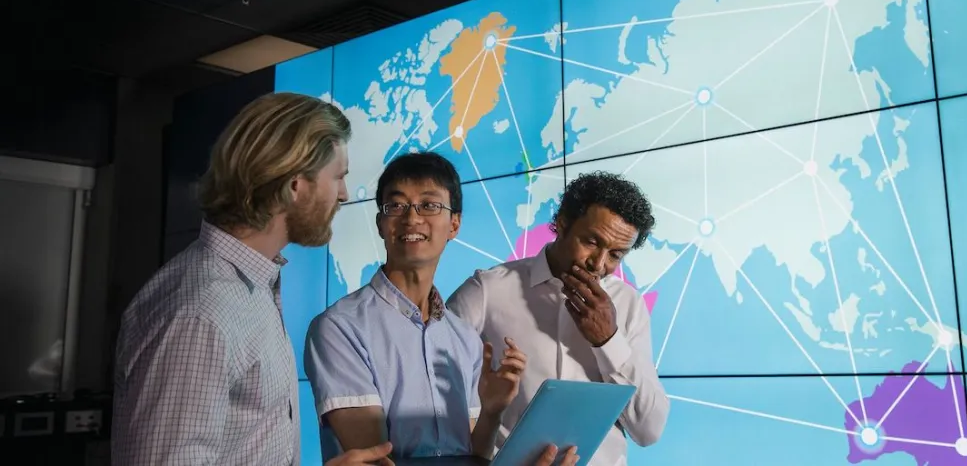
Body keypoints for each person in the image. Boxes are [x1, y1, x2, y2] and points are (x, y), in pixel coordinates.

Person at [111, 92, 392, 466]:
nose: (343, 194)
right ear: (296, 185)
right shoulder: (201, 315)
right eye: (338, 177)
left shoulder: (248, 288)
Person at [304, 152, 577, 465]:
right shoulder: (340, 327)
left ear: (454, 224)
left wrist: (492, 410)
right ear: (381, 223)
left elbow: (473, 456)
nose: (412, 218)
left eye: (429, 205)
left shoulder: (466, 339)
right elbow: (377, 458)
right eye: (396, 205)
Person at [447, 171, 670, 466]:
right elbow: (433, 396)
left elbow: (649, 429)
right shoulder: (487, 291)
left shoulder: (629, 305)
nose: (599, 265)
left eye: (616, 255)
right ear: (562, 223)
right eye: (591, 241)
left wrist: (608, 340)